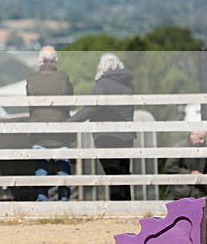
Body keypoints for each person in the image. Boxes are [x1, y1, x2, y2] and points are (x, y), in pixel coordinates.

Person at [68, 53, 136, 201]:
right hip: (126, 135)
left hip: (107, 136)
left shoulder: (103, 84)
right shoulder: (127, 84)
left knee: (113, 174)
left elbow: (91, 108)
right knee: (124, 173)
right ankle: (126, 205)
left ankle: (118, 206)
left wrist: (70, 122)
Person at [25, 46, 74, 201]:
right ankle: (64, 201)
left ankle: (42, 201)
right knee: (63, 169)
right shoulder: (63, 78)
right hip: (61, 133)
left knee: (41, 170)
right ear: (56, 60)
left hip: (39, 133)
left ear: (40, 60)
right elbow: (71, 99)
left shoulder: (31, 79)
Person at [164, 130, 207, 199]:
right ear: (192, 135)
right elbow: (170, 167)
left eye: (204, 138)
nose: (202, 141)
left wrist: (206, 178)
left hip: (199, 193)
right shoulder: (180, 148)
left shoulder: (205, 149)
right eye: (200, 138)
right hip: (181, 194)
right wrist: (190, 173)